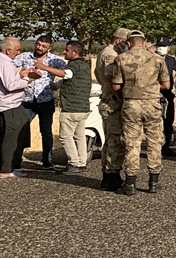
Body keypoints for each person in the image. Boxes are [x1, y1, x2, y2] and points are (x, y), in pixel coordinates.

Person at [112, 30, 170, 194]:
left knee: (132, 143)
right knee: (154, 142)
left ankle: (130, 183)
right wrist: (149, 88)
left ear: (128, 43)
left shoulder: (121, 59)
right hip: (152, 104)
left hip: (131, 104)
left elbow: (116, 85)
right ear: (144, 42)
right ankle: (153, 181)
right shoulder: (157, 59)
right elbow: (166, 85)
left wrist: (128, 93)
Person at [0, 37, 40, 178]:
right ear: (8, 50)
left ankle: (14, 166)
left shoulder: (0, 61)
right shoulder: (3, 62)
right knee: (11, 138)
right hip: (8, 105)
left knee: (20, 135)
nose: (18, 53)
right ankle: (6, 170)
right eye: (17, 50)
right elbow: (10, 86)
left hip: (13, 104)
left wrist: (21, 74)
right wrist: (30, 79)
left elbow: (8, 80)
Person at [14, 33, 67, 170]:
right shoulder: (25, 56)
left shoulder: (55, 60)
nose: (39, 47)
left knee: (46, 132)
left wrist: (57, 85)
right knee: (21, 130)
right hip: (26, 100)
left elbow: (69, 74)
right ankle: (16, 161)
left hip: (45, 100)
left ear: (49, 48)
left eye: (44, 46)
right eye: (38, 44)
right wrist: (21, 75)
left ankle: (47, 161)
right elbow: (9, 68)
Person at [94, 27, 131, 190]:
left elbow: (98, 74)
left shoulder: (104, 52)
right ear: (120, 41)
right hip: (112, 101)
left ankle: (110, 174)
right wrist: (119, 96)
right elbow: (110, 78)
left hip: (109, 98)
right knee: (115, 140)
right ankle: (111, 176)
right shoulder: (111, 54)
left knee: (111, 139)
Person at [57, 40, 93, 174]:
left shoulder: (73, 65)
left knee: (65, 136)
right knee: (79, 136)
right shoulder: (84, 65)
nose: (64, 52)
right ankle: (82, 162)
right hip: (83, 107)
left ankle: (73, 163)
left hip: (71, 108)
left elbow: (67, 74)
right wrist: (58, 85)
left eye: (67, 50)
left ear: (75, 52)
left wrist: (44, 67)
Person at [155, 37, 176, 158]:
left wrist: (174, 79)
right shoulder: (151, 59)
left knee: (168, 118)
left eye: (163, 46)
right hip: (154, 93)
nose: (161, 48)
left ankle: (166, 146)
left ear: (168, 47)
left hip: (167, 93)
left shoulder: (171, 60)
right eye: (159, 46)